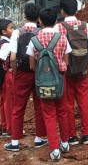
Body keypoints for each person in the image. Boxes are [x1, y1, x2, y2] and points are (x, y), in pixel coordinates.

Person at [27, 8, 71, 162]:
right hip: (59, 79)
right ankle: (65, 143)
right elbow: (66, 61)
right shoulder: (62, 37)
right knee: (62, 110)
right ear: (56, 21)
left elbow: (31, 65)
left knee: (49, 114)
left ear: (40, 21)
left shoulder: (34, 39)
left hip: (43, 82)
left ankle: (54, 149)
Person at [4, 3, 48, 151]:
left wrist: (15, 71)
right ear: (38, 17)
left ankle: (15, 142)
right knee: (39, 105)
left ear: (24, 16)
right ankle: (39, 138)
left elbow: (12, 57)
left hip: (22, 73)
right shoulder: (41, 32)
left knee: (18, 107)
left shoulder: (17, 32)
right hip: (38, 72)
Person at [57, 0, 88, 146]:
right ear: (76, 9)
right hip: (83, 70)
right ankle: (86, 135)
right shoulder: (85, 26)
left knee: (67, 104)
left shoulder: (59, 27)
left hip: (66, 71)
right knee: (83, 102)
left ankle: (72, 136)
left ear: (62, 10)